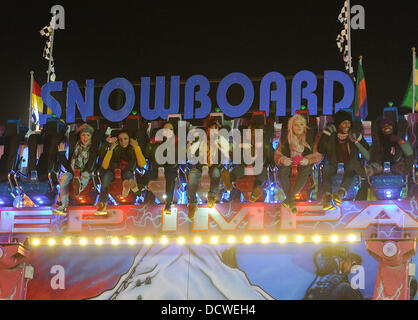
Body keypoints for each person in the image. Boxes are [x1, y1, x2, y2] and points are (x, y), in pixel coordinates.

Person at [318, 110, 370, 210]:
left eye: (349, 122)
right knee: (326, 169)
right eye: (344, 122)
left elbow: (366, 148)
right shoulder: (332, 135)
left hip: (350, 164)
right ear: (338, 124)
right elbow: (321, 149)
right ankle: (328, 197)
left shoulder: (353, 134)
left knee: (351, 168)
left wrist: (358, 139)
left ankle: (340, 194)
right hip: (334, 163)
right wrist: (326, 134)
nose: (347, 125)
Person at [274, 114, 322, 213]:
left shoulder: (310, 137)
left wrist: (308, 160)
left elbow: (318, 155)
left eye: (301, 124)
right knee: (283, 170)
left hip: (303, 163)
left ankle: (289, 200)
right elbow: (277, 154)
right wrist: (283, 159)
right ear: (291, 126)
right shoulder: (285, 138)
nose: (299, 127)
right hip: (289, 162)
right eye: (296, 125)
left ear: (305, 126)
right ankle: (291, 201)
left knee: (306, 169)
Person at [95, 130, 146, 215]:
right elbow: (105, 166)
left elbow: (142, 163)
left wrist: (137, 147)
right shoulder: (115, 148)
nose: (123, 142)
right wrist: (110, 150)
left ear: (129, 139)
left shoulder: (132, 148)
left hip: (127, 172)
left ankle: (131, 186)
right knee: (106, 178)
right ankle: (102, 204)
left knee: (128, 175)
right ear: (118, 140)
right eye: (120, 139)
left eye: (125, 139)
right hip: (113, 172)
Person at [187, 119, 230, 219]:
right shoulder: (200, 140)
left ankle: (212, 196)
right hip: (200, 166)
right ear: (207, 130)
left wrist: (218, 145)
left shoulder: (221, 141)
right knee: (192, 175)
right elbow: (189, 152)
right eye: (211, 129)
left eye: (216, 129)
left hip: (214, 165)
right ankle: (192, 203)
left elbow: (227, 156)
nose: (213, 131)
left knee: (215, 172)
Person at [221, 122, 273, 203]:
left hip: (259, 166)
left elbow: (268, 155)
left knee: (260, 172)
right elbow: (235, 157)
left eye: (249, 131)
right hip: (245, 167)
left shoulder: (263, 143)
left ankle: (256, 190)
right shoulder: (243, 144)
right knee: (240, 170)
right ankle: (229, 179)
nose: (247, 133)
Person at [53, 124, 96, 216]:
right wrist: (61, 154)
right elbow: (68, 166)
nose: (85, 138)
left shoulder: (93, 148)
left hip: (86, 171)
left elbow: (91, 164)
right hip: (73, 171)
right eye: (83, 135)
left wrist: (86, 126)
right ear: (80, 136)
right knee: (64, 177)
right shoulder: (75, 146)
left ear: (91, 137)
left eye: (88, 135)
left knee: (84, 175)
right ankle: (64, 206)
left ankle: (79, 186)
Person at [142, 122, 179, 214]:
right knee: (146, 175)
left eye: (170, 129)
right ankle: (140, 190)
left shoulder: (177, 142)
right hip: (156, 168)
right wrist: (150, 144)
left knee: (170, 179)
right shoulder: (155, 141)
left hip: (170, 167)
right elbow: (147, 155)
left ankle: (168, 204)